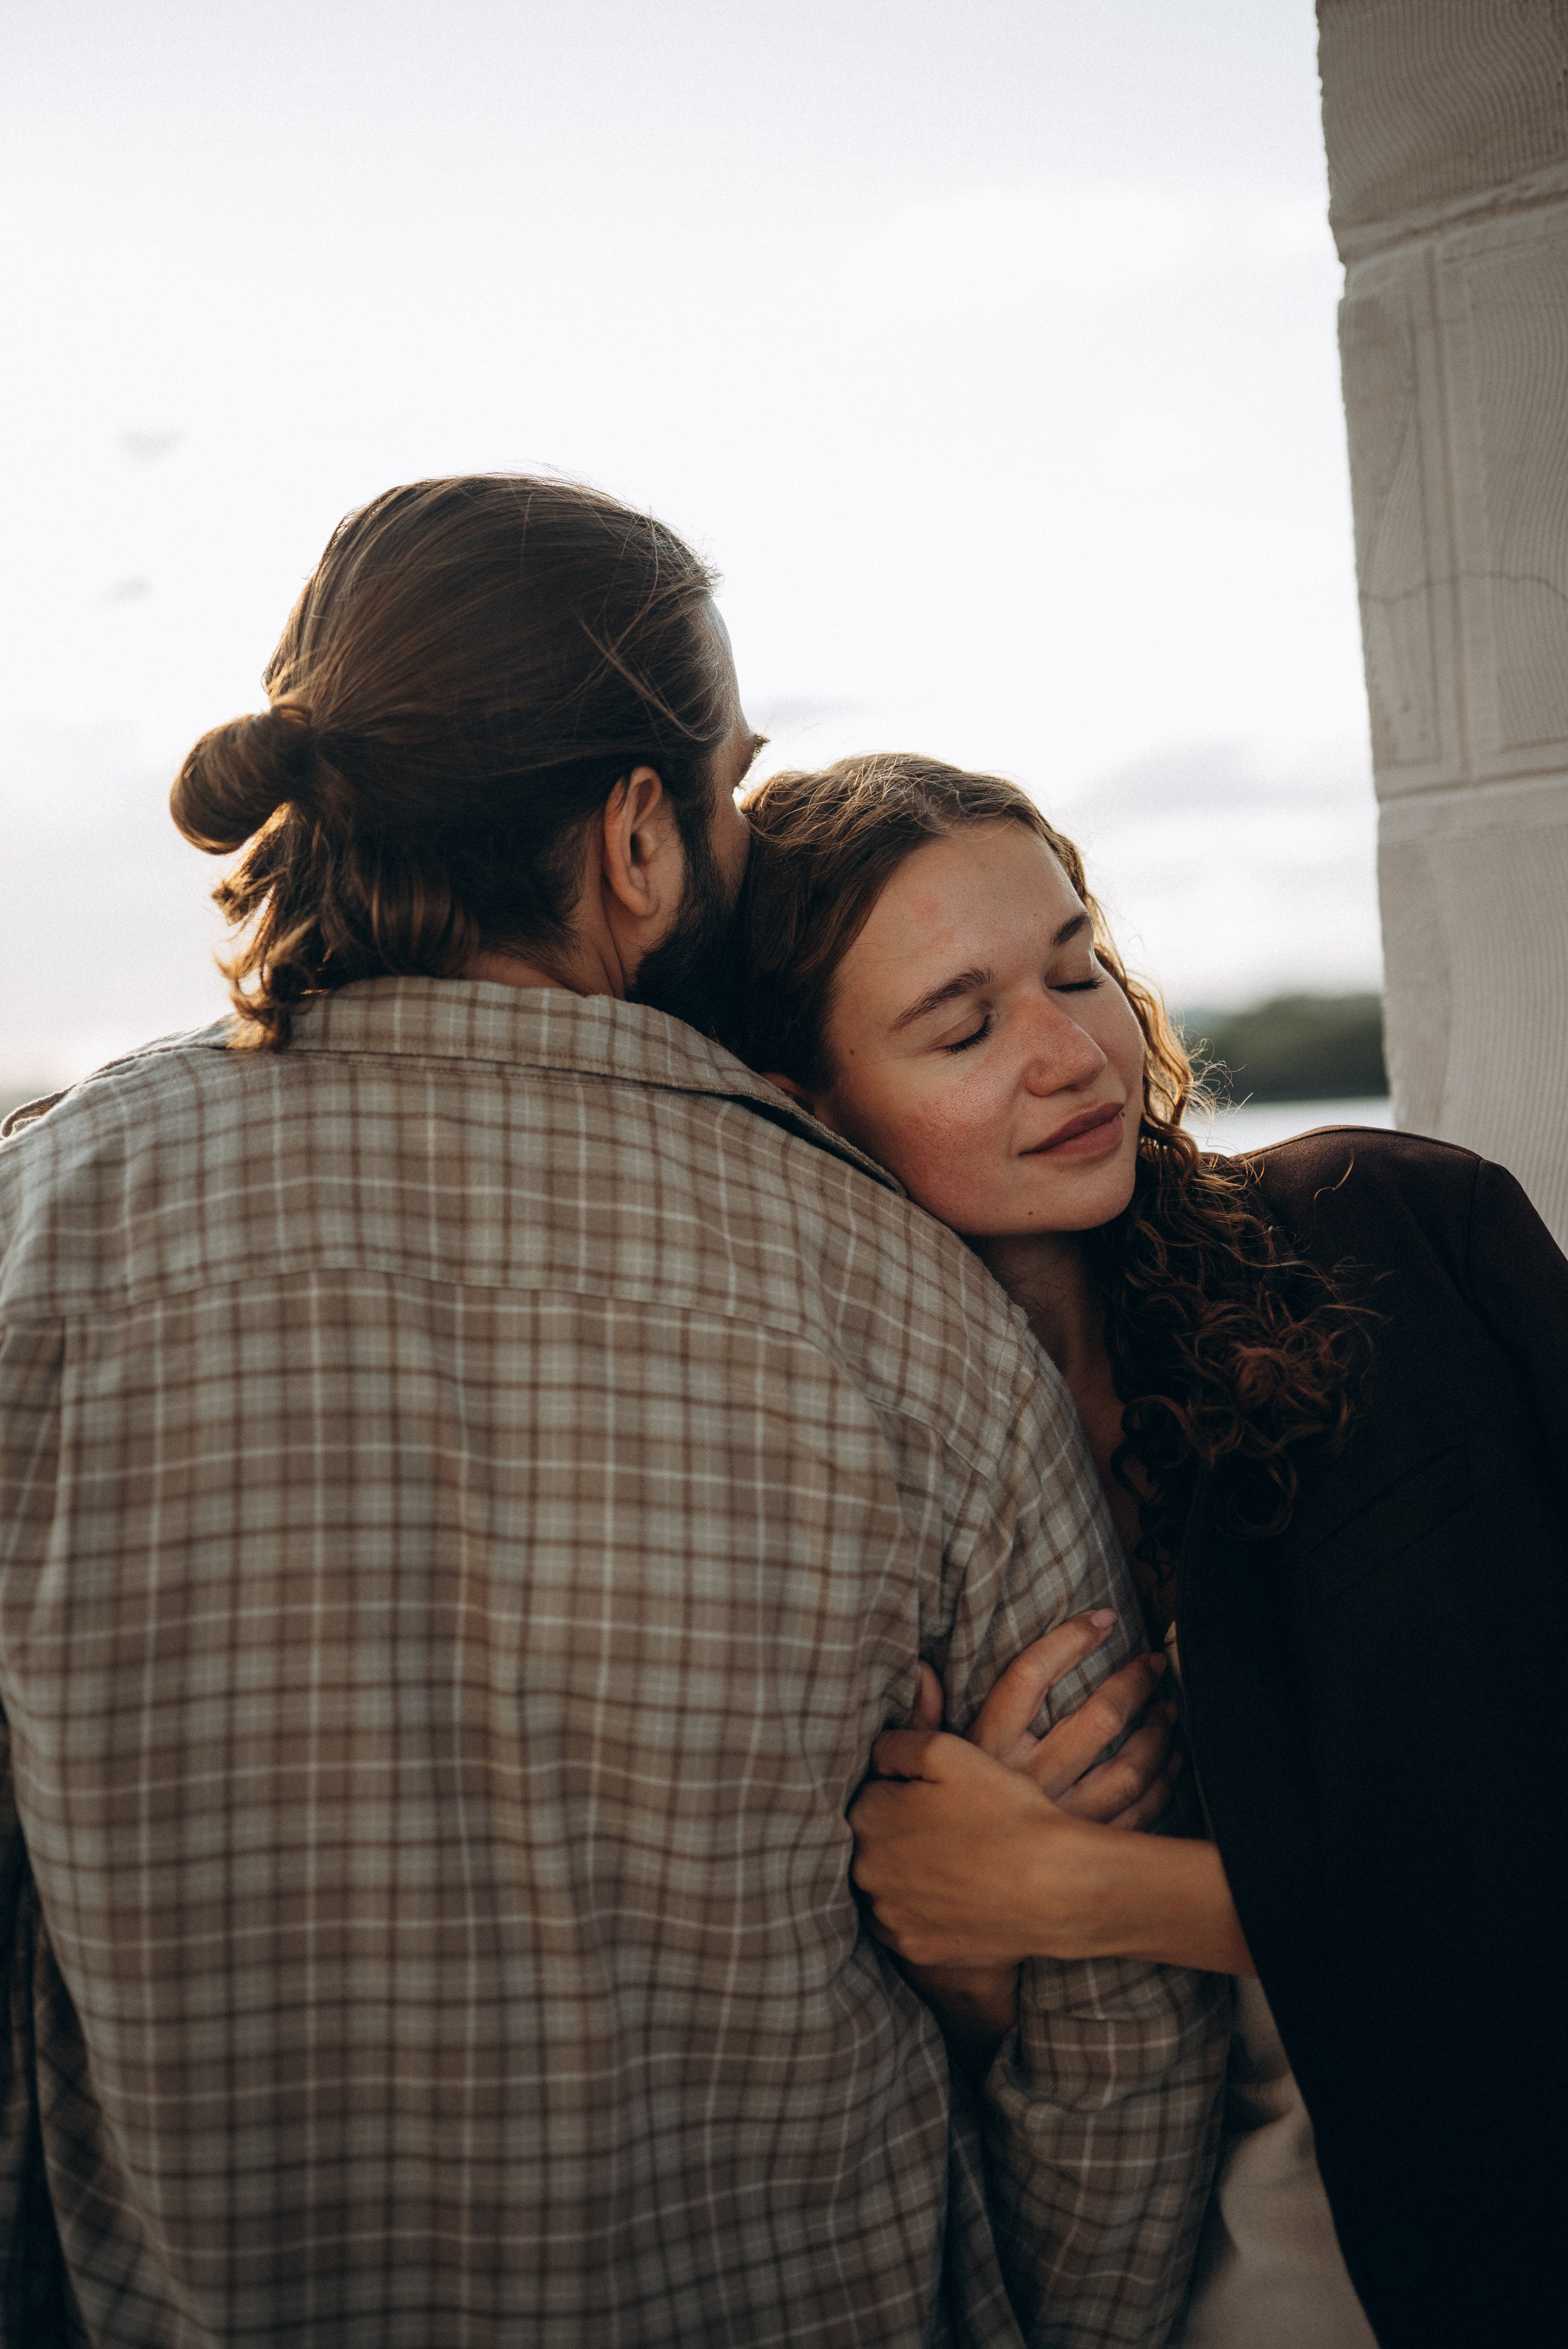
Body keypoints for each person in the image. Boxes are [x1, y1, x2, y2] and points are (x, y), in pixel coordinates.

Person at [0, 480, 1227, 2348]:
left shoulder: (43, 1236)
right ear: (640, 838)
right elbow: (1114, 2036)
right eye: (729, 790)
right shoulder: (898, 1290)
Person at [725, 752, 1568, 2349]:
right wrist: (969, 1959)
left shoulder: (1399, 1247)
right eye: (964, 1026)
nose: (1072, 1051)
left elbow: (1523, 1871)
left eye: (1077, 964)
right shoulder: (837, 1509)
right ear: (803, 1113)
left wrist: (1081, 1886)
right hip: (1180, 2288)